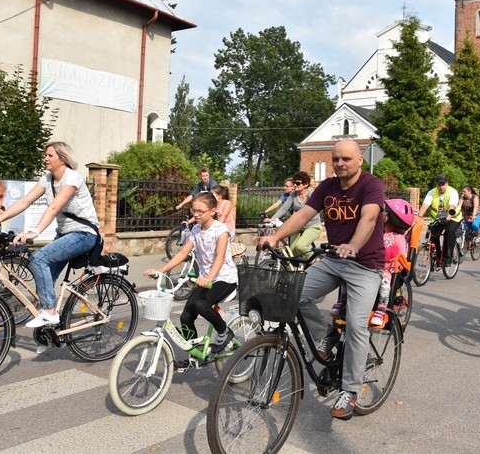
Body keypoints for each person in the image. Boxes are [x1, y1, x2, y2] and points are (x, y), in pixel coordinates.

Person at [259, 139, 384, 420]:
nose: (340, 163)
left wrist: (354, 244)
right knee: (295, 294)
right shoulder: (327, 187)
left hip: (365, 265)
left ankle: (350, 391)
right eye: (336, 159)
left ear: (359, 160)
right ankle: (323, 336)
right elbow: (303, 215)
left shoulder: (371, 184)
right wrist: (275, 237)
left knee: (355, 325)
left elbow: (369, 218)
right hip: (333, 261)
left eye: (346, 159)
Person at [0, 142, 100, 328]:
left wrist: (34, 232)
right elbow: (24, 201)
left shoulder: (72, 178)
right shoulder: (47, 179)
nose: (45, 158)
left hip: (83, 234)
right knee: (45, 281)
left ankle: (50, 313)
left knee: (38, 259)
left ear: (63, 159)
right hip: (64, 235)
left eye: (50, 155)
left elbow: (54, 208)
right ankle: (50, 332)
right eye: (45, 155)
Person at [145, 191, 238, 362]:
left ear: (212, 211)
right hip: (204, 279)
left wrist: (209, 277)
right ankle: (194, 354)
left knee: (202, 305)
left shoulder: (221, 230)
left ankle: (224, 332)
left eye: (199, 211)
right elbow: (182, 254)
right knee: (186, 317)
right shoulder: (195, 229)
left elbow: (219, 256)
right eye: (193, 211)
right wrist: (161, 270)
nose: (195, 214)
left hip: (224, 278)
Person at [329, 198, 414, 326]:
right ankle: (343, 300)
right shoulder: (376, 232)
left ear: (391, 219)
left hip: (388, 268)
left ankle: (381, 308)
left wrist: (395, 266)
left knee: (385, 278)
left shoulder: (399, 238)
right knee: (349, 272)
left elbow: (402, 257)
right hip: (371, 264)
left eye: (385, 213)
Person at [264, 170, 322, 258]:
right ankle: (300, 269)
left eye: (298, 183)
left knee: (300, 246)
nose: (295, 185)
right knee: (292, 251)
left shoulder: (312, 194)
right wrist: (272, 219)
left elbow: (318, 207)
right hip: (298, 226)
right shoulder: (293, 195)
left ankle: (313, 263)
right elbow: (283, 208)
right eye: (294, 183)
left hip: (312, 226)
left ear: (305, 184)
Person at [418, 174, 462, 267]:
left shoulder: (452, 192)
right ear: (436, 184)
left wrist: (448, 218)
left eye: (443, 184)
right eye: (439, 184)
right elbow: (425, 205)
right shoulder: (432, 192)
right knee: (433, 236)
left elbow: (452, 206)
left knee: (449, 232)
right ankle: (437, 257)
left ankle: (447, 258)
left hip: (452, 218)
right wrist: (419, 217)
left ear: (447, 184)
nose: (441, 186)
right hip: (438, 218)